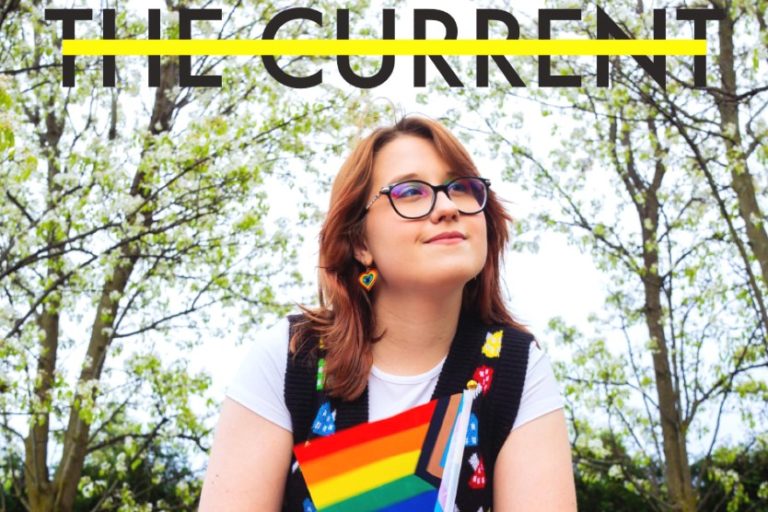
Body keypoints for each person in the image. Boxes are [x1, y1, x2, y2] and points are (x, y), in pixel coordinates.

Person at [199, 116, 577, 511]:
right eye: (411, 191)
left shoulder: (516, 367)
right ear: (359, 242)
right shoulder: (293, 356)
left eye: (462, 188)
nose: (447, 207)